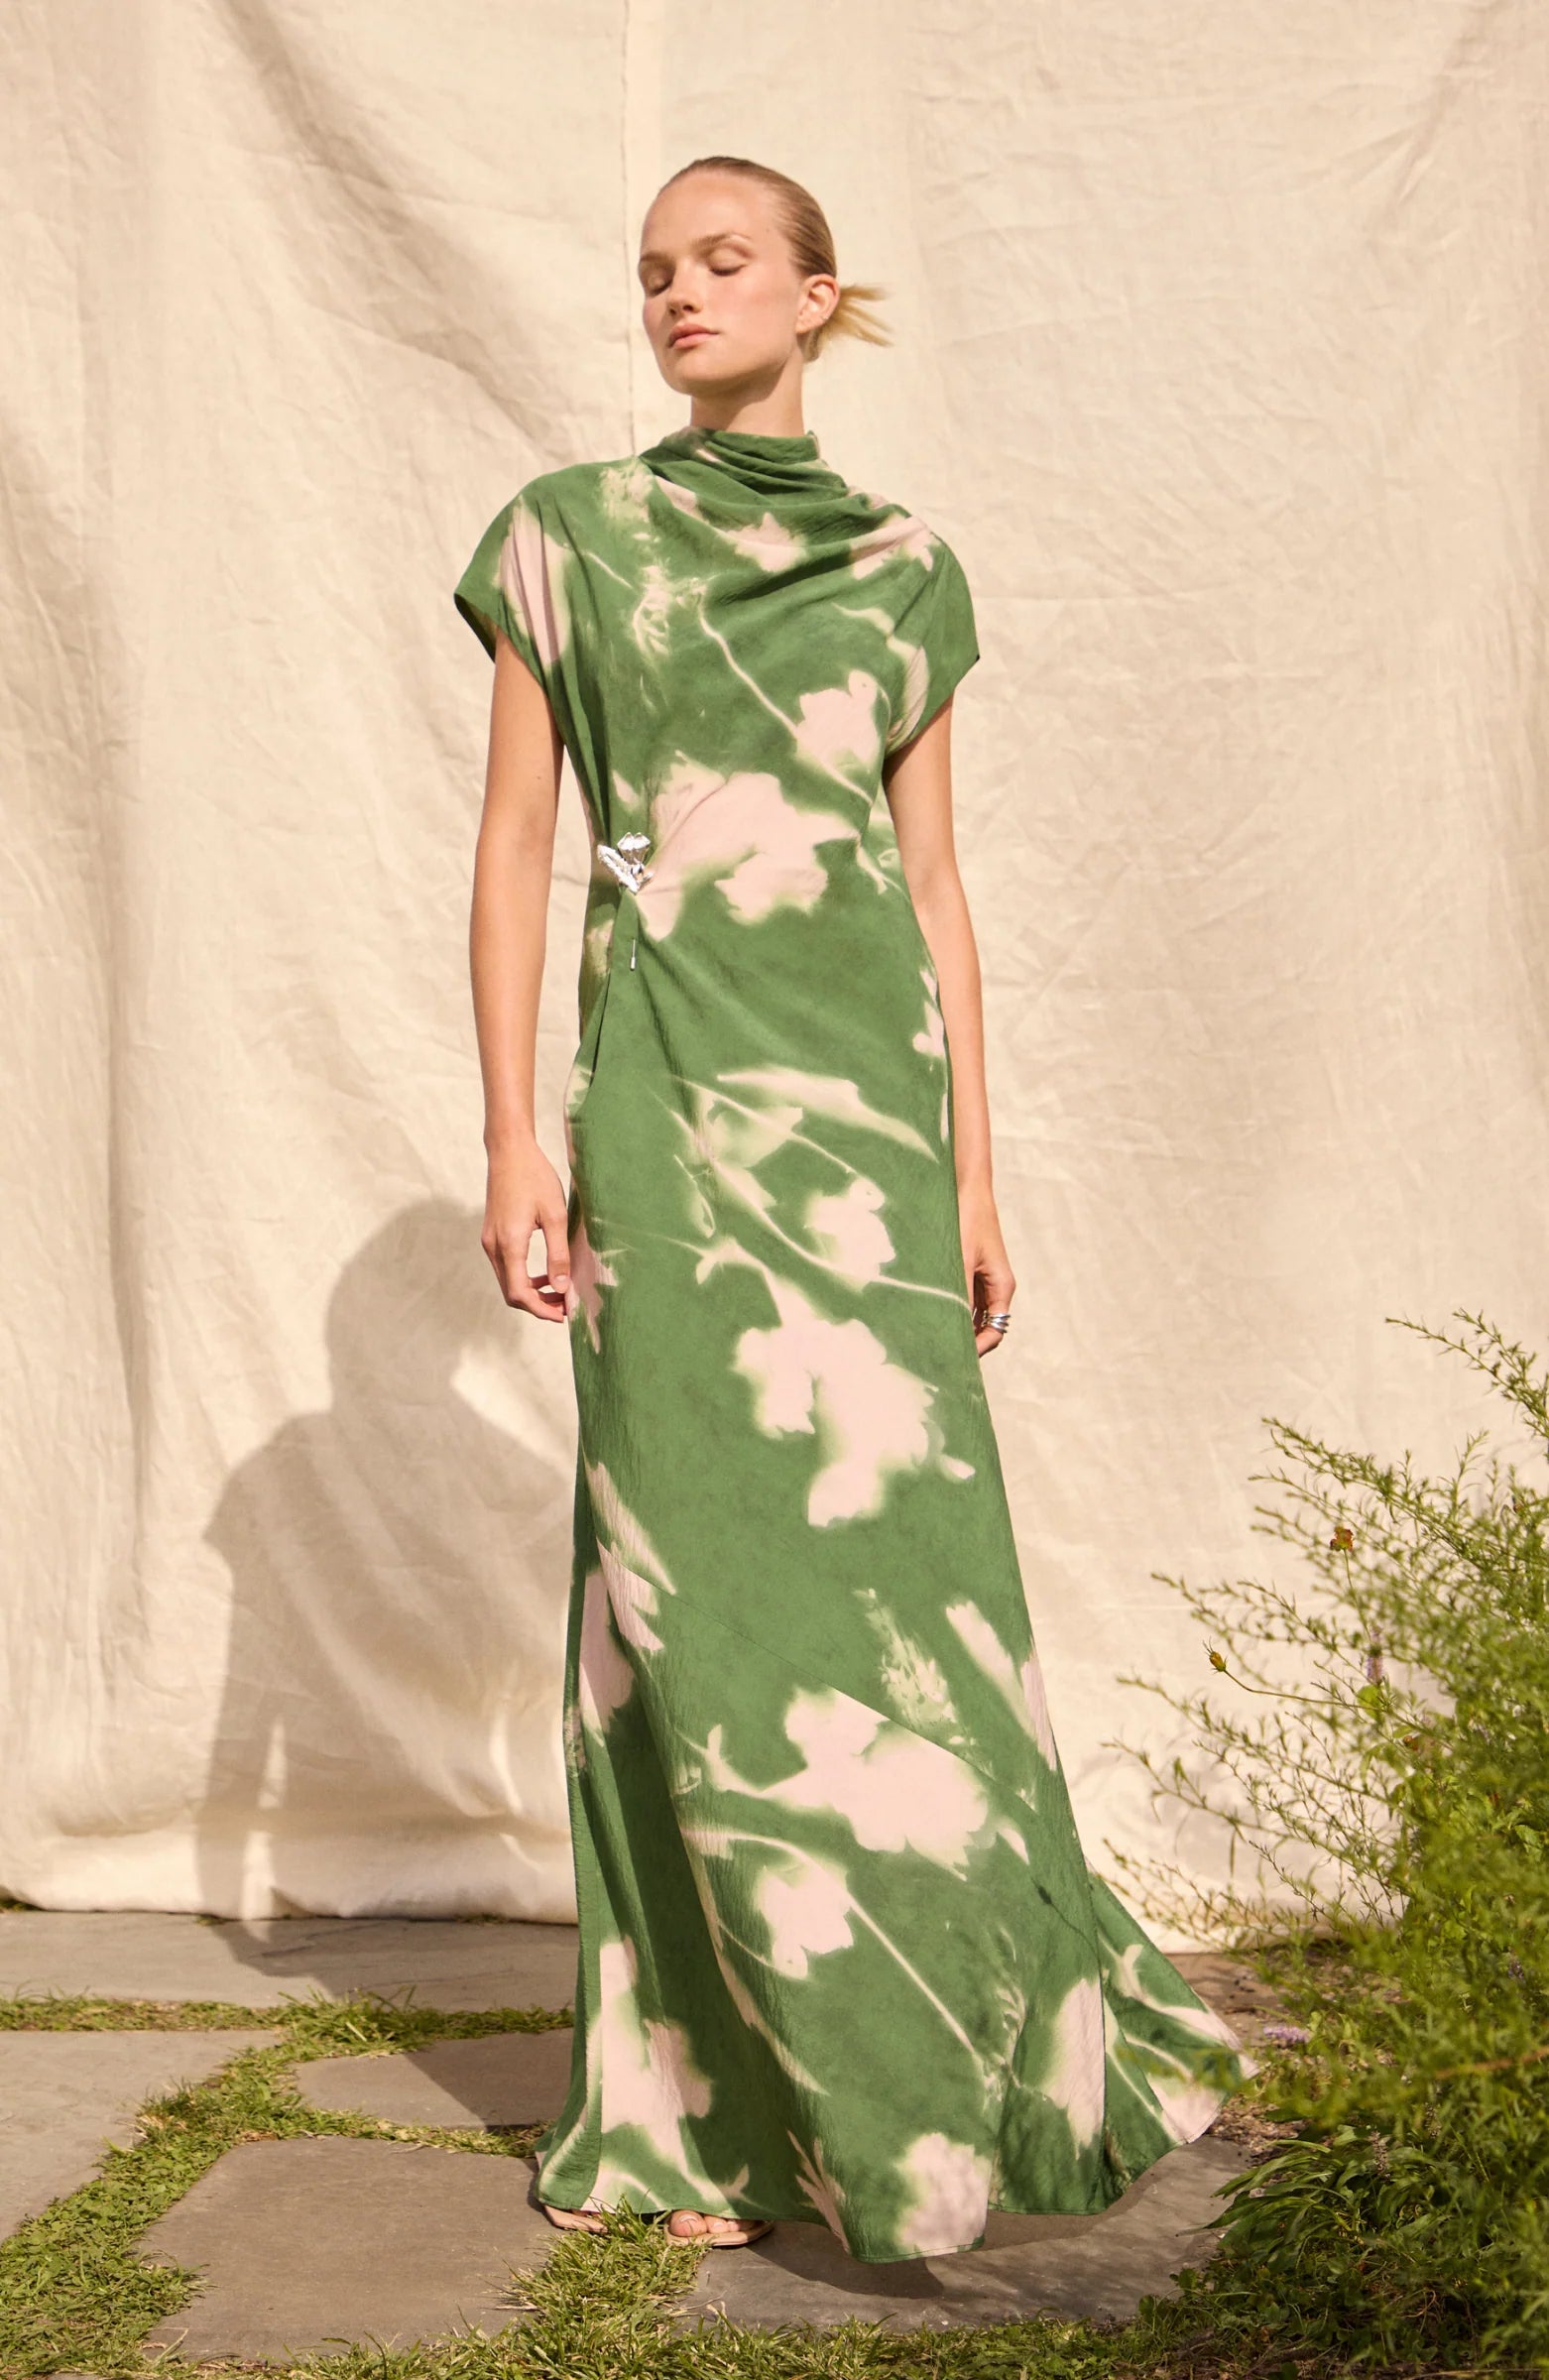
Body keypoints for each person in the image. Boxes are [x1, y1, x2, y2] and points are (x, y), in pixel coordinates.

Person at [455, 154, 1249, 2261]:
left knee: (909, 1597)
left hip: (868, 1130)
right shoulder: (567, 542)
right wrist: (515, 1136)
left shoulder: (906, 568)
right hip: (660, 1112)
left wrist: (979, 1167)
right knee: (678, 1579)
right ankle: (707, 2108)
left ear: (817, 295)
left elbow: (934, 887)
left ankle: (958, 2050)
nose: (676, 297)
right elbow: (520, 848)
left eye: (719, 264)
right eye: (651, 274)